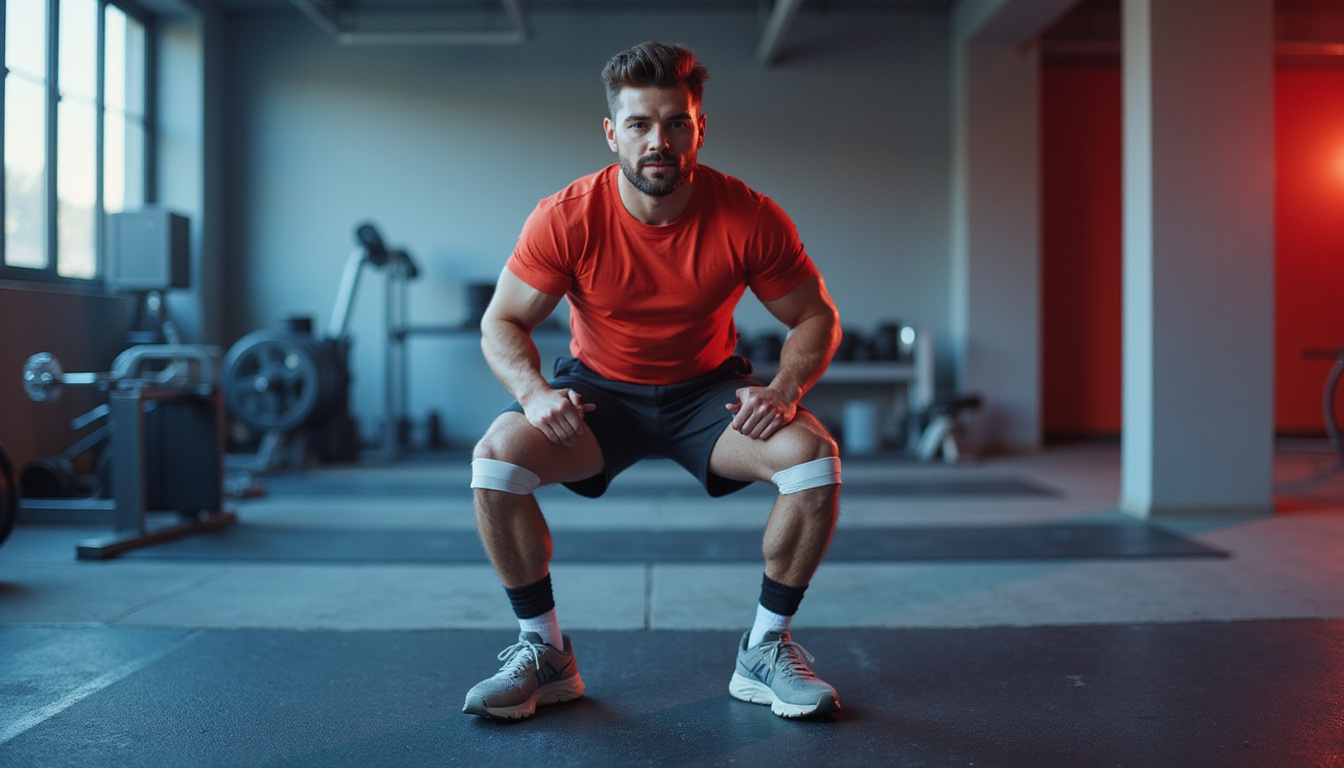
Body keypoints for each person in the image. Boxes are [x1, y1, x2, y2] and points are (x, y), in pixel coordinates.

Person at [463, 40, 843, 721]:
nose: (658, 141)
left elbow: (815, 316)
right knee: (495, 461)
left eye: (675, 122)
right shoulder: (566, 216)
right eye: (639, 124)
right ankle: (544, 651)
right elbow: (501, 323)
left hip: (708, 395)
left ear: (700, 128)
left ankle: (764, 648)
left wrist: (785, 389)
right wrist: (534, 394)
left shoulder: (748, 215)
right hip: (598, 396)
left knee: (812, 461)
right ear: (613, 133)